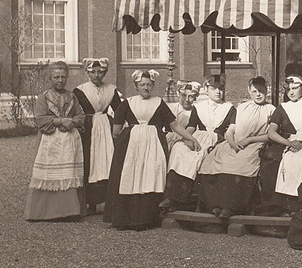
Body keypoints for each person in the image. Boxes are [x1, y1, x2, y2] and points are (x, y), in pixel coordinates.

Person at [106, 70, 201, 230]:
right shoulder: (127, 103)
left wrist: (191, 138)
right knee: (131, 175)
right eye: (142, 84)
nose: (146, 88)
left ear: (153, 86)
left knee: (150, 175)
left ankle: (146, 218)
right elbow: (116, 130)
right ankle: (126, 219)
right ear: (136, 86)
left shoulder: (159, 103)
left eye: (149, 85)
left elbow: (174, 125)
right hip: (131, 146)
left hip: (154, 145)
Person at [196, 76, 272, 217]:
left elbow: (271, 135)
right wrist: (232, 143)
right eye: (254, 91)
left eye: (261, 91)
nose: (258, 94)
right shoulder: (242, 108)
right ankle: (213, 204)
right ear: (249, 91)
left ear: (266, 91)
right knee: (214, 160)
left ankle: (230, 206)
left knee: (239, 164)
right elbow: (231, 130)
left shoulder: (271, 110)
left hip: (254, 144)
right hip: (234, 143)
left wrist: (249, 140)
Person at [24, 60, 86, 221]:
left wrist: (72, 122)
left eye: (63, 77)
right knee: (49, 172)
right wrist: (60, 121)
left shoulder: (71, 96)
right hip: (50, 140)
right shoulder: (44, 97)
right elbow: (40, 119)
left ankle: (70, 211)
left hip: (69, 139)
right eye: (56, 77)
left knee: (69, 171)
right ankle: (45, 212)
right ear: (50, 78)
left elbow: (81, 115)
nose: (60, 80)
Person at [165, 83, 234, 212]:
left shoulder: (229, 108)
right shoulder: (199, 107)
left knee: (202, 154)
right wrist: (187, 138)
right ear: (207, 90)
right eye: (213, 88)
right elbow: (192, 126)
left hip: (217, 138)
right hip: (199, 136)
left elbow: (230, 130)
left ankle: (201, 202)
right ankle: (173, 197)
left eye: (220, 88)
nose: (218, 92)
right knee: (179, 148)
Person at [266, 73, 302, 213]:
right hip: (287, 143)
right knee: (273, 161)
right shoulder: (282, 107)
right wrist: (288, 143)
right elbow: (271, 132)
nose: (291, 92)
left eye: (294, 88)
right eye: (288, 89)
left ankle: (300, 205)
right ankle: (279, 205)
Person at [72, 58, 119, 215]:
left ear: (105, 72)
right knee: (89, 161)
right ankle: (89, 203)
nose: (97, 75)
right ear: (87, 72)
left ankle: (109, 202)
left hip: (106, 127)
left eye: (100, 72)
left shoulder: (111, 89)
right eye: (93, 72)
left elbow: (119, 110)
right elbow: (74, 110)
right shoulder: (80, 90)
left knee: (107, 160)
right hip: (88, 128)